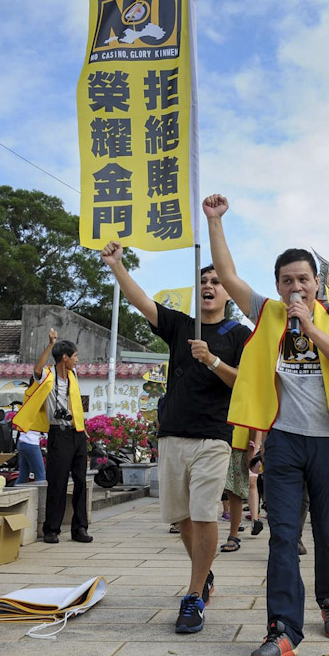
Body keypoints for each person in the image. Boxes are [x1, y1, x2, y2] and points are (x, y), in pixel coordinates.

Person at [203, 194, 329, 656]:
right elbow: (229, 278)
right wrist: (215, 222)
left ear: (318, 282)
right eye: (287, 280)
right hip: (287, 441)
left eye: (304, 279)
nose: (296, 287)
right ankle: (282, 629)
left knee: (328, 534)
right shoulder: (269, 313)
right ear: (277, 285)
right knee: (282, 534)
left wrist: (312, 329)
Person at [101, 243, 250, 635]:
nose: (209, 285)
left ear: (228, 292)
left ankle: (194, 596)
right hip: (171, 436)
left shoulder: (239, 334)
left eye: (217, 281)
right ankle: (206, 574)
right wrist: (116, 266)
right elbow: (142, 303)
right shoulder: (182, 326)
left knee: (204, 514)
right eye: (203, 280)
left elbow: (246, 382)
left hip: (214, 437)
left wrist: (213, 360)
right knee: (182, 517)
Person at [12, 329, 92, 545]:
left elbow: (75, 404)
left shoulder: (73, 375)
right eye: (75, 356)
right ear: (64, 358)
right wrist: (50, 345)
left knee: (80, 482)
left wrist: (82, 427)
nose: (77, 360)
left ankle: (80, 528)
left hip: (77, 434)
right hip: (59, 434)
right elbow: (36, 369)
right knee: (57, 482)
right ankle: (51, 529)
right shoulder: (48, 375)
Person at [221, 428, 264, 552]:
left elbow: (252, 420)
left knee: (235, 491)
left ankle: (234, 535)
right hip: (216, 439)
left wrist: (252, 447)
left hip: (237, 444)